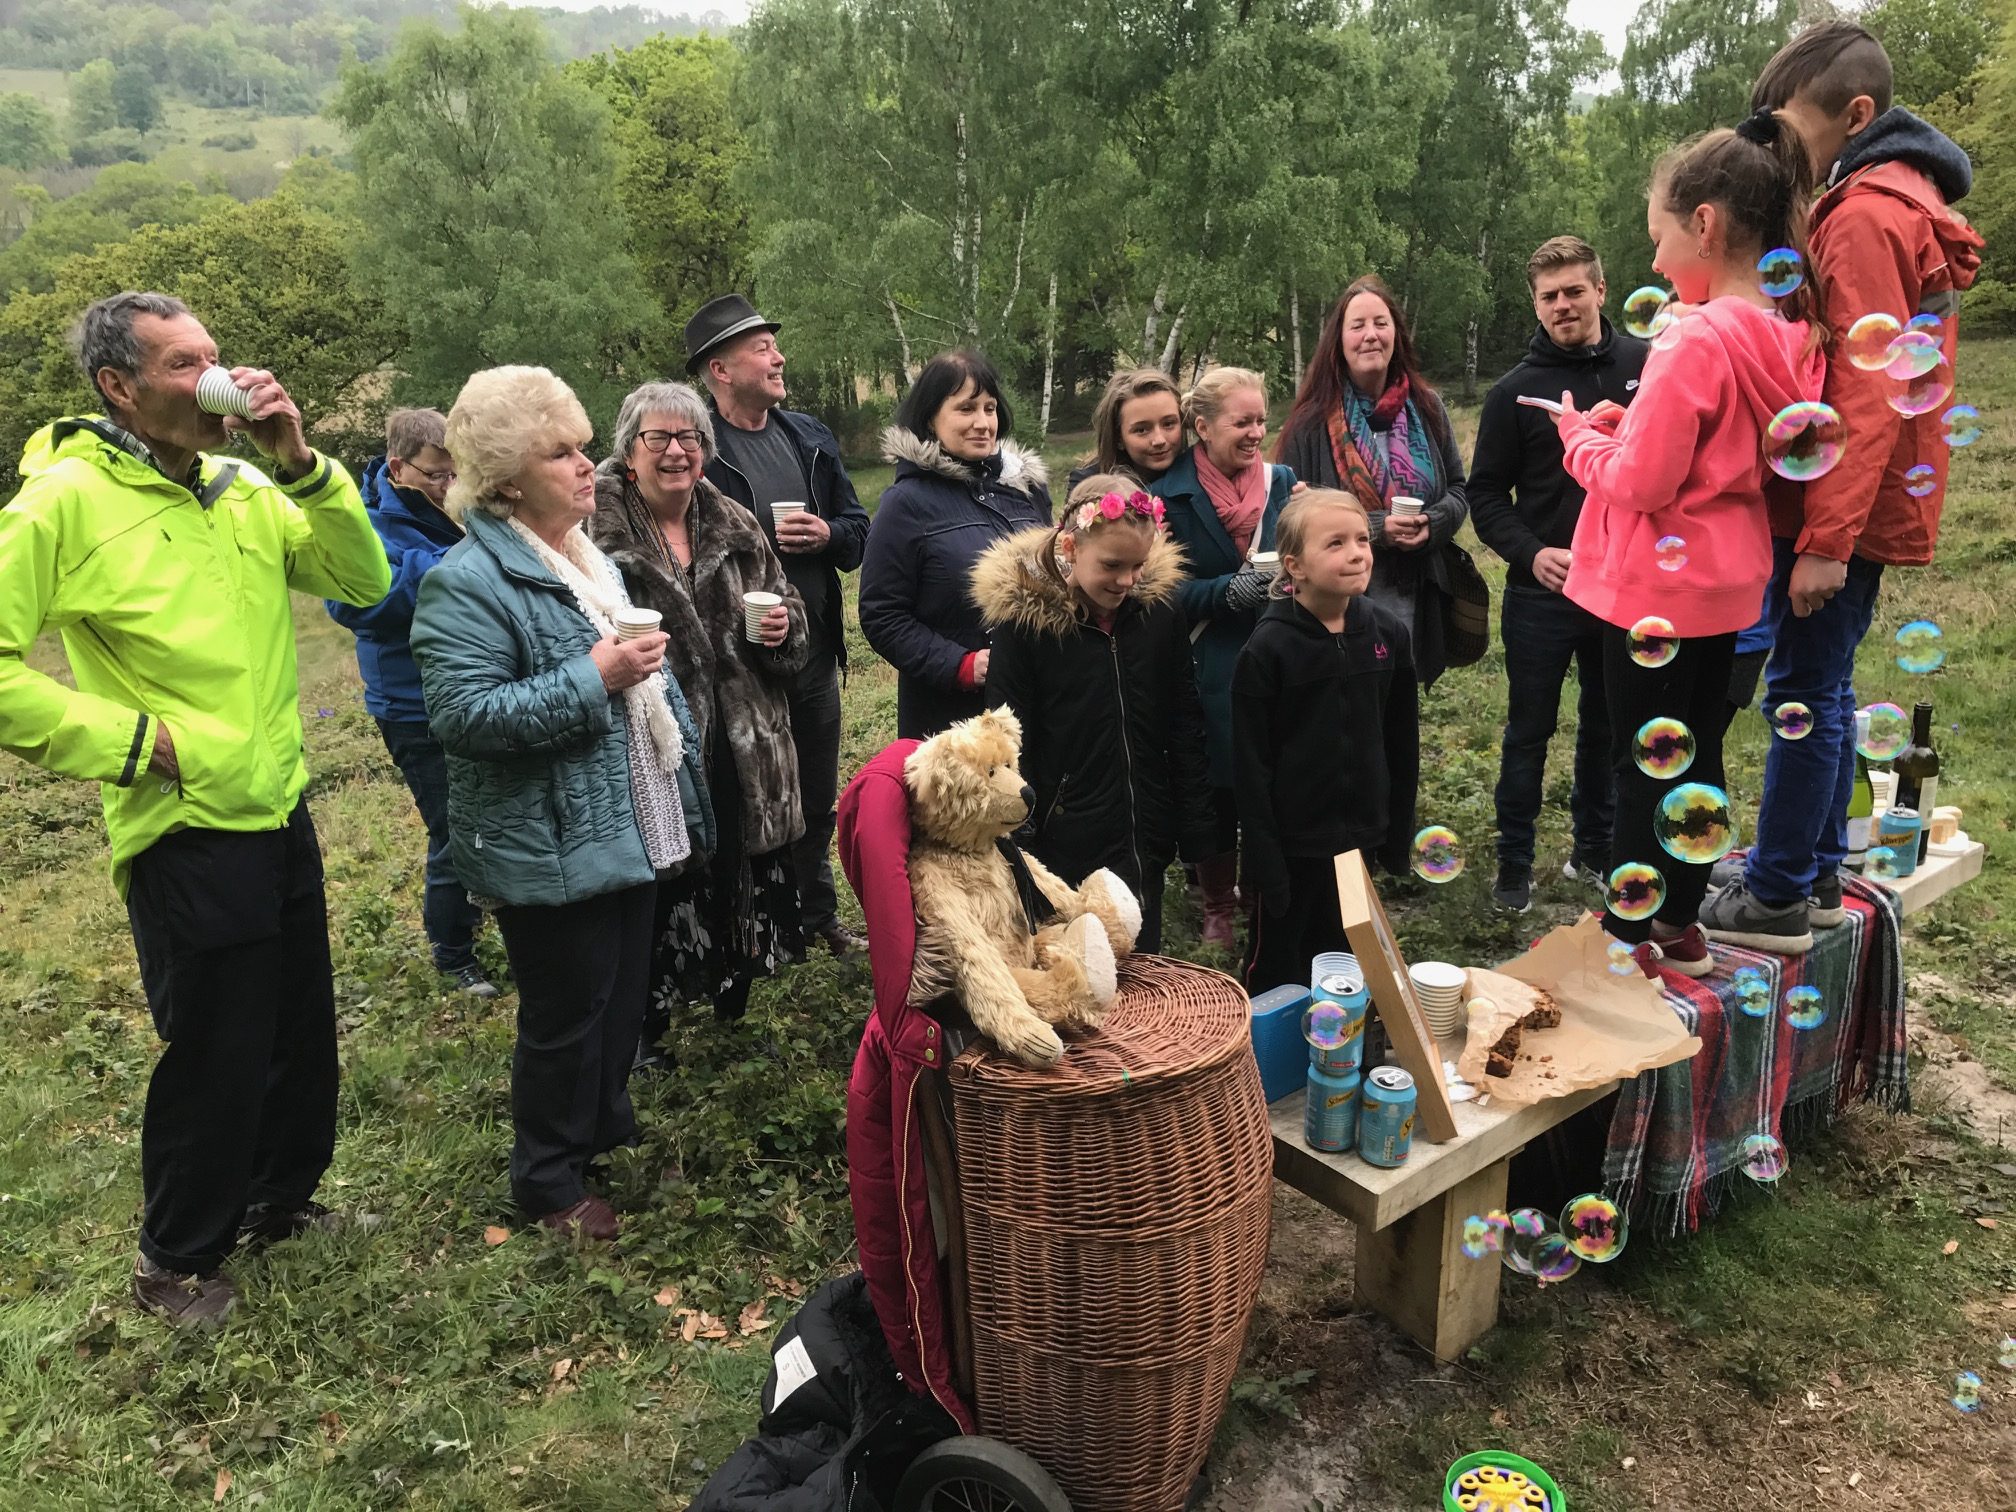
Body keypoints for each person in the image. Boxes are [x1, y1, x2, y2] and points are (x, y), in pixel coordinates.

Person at [0, 291, 392, 1325]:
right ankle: (174, 1258)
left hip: (276, 805)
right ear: (118, 388)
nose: (213, 376)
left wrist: (301, 463)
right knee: (217, 1044)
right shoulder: (64, 504)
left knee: (299, 1028)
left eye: (214, 356)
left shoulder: (241, 490)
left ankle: (277, 1202)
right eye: (181, 365)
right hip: (181, 822)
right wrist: (140, 747)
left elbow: (363, 579)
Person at [410, 366, 713, 1243]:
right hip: (548, 839)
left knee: (618, 992)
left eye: (585, 447)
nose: (589, 467)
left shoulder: (590, 562)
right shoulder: (466, 582)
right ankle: (546, 1179)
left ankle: (597, 1128)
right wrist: (594, 676)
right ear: (506, 478)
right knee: (565, 1011)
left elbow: (644, 689)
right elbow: (464, 719)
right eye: (562, 453)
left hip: (622, 818)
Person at [1701, 22, 1983, 952]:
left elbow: (1866, 391)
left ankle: (1779, 895)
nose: (1780, 148)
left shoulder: (1863, 214)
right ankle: (1814, 872)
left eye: (1793, 126)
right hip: (1857, 501)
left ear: (1856, 117)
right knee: (1818, 683)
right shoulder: (1893, 200)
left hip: (1842, 510)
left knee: (1804, 687)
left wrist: (1824, 538)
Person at [1553, 116, 1826, 977]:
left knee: (1640, 760)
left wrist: (1578, 438)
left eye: (1660, 237)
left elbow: (1640, 484)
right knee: (1695, 752)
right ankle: (1680, 923)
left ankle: (1629, 939)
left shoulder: (1692, 337)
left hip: (1651, 594)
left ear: (1703, 225)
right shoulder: (1784, 332)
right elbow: (1719, 454)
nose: (1658, 262)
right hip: (1727, 585)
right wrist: (1627, 424)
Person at [588, 381, 809, 1038]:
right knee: (661, 874)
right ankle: (648, 1024)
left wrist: (783, 633)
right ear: (630, 453)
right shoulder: (594, 538)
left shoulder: (736, 525)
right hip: (653, 739)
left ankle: (731, 995)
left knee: (738, 855)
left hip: (745, 739)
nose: (675, 452)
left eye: (689, 438)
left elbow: (790, 607)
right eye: (658, 438)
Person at [1468, 237, 1650, 913]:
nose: (1563, 305)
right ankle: (1513, 863)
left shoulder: (1646, 365)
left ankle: (1595, 852)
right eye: (1550, 296)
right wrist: (1529, 553)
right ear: (1535, 305)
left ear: (1601, 290)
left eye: (1575, 290)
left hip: (1626, 586)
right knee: (1528, 729)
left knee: (1609, 728)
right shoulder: (1514, 393)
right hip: (1542, 592)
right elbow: (1484, 495)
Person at [689, 295, 872, 958]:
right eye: (762, 348)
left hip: (815, 655)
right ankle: (754, 927)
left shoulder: (809, 437)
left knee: (816, 794)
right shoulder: (697, 453)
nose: (779, 357)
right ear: (719, 368)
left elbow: (858, 534)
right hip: (737, 667)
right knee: (745, 800)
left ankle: (815, 915)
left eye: (774, 345)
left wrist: (826, 533)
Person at [971, 473, 1214, 952]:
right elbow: (1006, 740)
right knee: (1080, 964)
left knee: (1143, 961)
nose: (1126, 580)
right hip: (1066, 837)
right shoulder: (1024, 627)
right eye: (1111, 565)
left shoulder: (1159, 613)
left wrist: (1194, 824)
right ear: (1069, 546)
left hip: (1144, 827)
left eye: (1138, 565)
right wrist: (1027, 835)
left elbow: (1184, 719)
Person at [324, 408, 495, 996]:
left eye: (458, 473)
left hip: (474, 691)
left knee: (489, 816)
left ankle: (488, 915)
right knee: (452, 827)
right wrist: (455, 567)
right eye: (438, 475)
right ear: (398, 468)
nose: (452, 486)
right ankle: (453, 954)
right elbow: (355, 605)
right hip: (412, 705)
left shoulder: (462, 508)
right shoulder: (367, 525)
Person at [1232, 490, 1418, 994]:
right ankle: (1263, 1057)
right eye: (1335, 544)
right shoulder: (1269, 649)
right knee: (1278, 964)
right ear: (1294, 566)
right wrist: (1264, 862)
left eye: (1362, 539)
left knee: (1342, 957)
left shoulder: (1387, 633)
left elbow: (1403, 742)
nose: (1357, 552)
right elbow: (1250, 766)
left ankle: (1329, 1057)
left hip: (1360, 839)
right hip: (1293, 846)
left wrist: (1395, 836)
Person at [1155, 367, 1296, 949]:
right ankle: (1217, 902)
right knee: (1213, 788)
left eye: (1262, 419)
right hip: (1204, 661)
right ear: (1203, 426)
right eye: (1243, 421)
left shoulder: (1284, 481)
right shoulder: (1167, 494)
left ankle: (1263, 894)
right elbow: (1155, 587)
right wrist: (1221, 593)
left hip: (1278, 658)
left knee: (1270, 782)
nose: (1256, 432)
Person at [1275, 275, 1471, 689]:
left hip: (1416, 596)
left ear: (1396, 334)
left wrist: (1432, 523)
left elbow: (1458, 488)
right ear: (1339, 341)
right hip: (1339, 606)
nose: (1370, 336)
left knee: (1400, 708)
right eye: (1357, 325)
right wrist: (1377, 528)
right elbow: (1291, 518)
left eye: (1381, 324)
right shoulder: (1311, 423)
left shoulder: (1427, 407)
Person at [860, 349, 1052, 739]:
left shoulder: (1027, 491)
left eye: (990, 408)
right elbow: (882, 615)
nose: (983, 423)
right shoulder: (906, 503)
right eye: (966, 409)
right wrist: (960, 665)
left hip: (1036, 703)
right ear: (931, 417)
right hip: (952, 723)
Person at [1064, 367, 1188, 495]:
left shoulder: (1200, 475)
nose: (1159, 440)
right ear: (1118, 438)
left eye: (1168, 424)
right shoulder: (1089, 488)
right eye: (1142, 430)